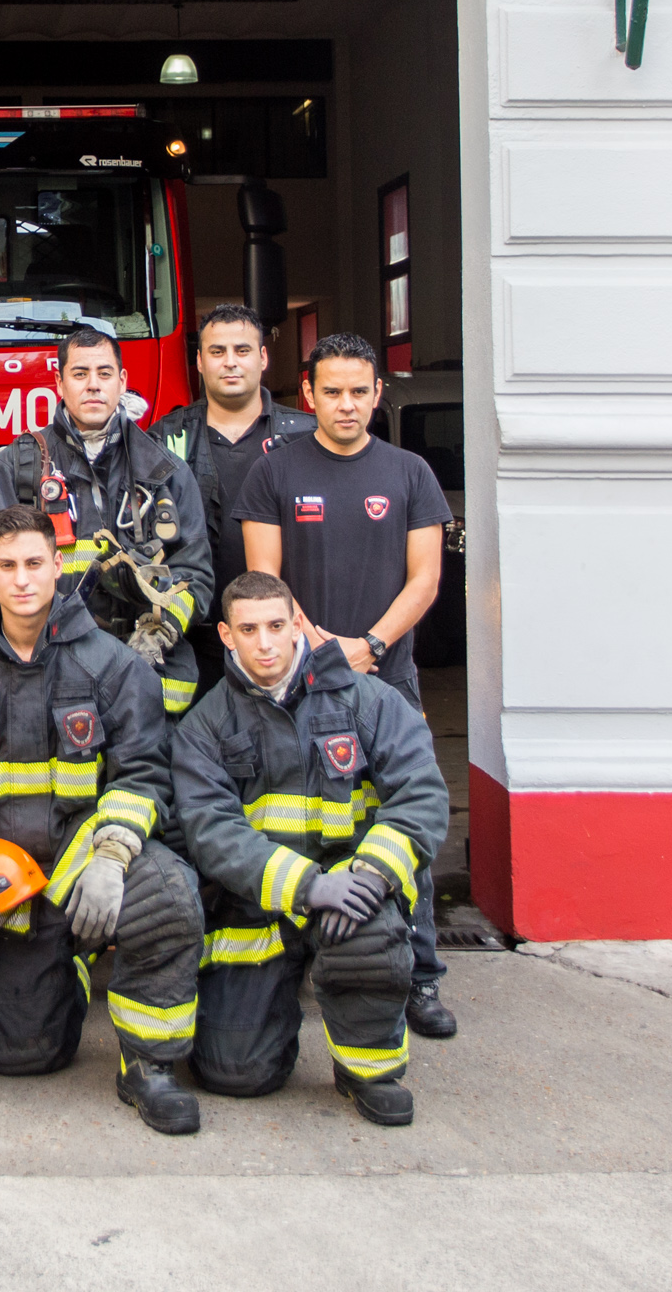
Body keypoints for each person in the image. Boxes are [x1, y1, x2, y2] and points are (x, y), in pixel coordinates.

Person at [0, 505, 205, 1134]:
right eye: (6, 566)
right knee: (19, 1055)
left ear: (58, 567)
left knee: (169, 894)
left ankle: (150, 1064)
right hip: (7, 879)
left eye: (34, 564)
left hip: (85, 861)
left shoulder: (116, 667)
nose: (21, 579)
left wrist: (113, 859)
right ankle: (68, 969)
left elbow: (143, 774)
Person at [234, 332, 460, 1041]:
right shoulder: (271, 472)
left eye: (359, 391)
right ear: (308, 395)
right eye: (331, 391)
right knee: (302, 819)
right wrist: (323, 645)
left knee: (402, 822)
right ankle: (308, 958)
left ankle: (419, 977)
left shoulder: (410, 472)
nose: (346, 404)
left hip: (388, 681)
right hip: (298, 681)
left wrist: (374, 645)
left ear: (377, 394)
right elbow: (265, 581)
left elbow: (425, 577)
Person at [174, 571, 448, 1125]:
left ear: (298, 624)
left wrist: (372, 876)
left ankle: (367, 1070)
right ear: (226, 636)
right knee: (235, 1073)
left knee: (368, 937)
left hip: (353, 893)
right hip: (261, 906)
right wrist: (307, 888)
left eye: (277, 625)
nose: (266, 642)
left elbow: (421, 797)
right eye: (249, 630)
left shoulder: (369, 701)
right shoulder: (205, 725)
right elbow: (210, 830)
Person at [0, 327, 212, 717]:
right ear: (59, 382)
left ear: (122, 382)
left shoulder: (164, 471)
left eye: (104, 374)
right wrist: (55, 635)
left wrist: (162, 628)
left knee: (140, 777)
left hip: (150, 681)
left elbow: (196, 576)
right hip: (49, 674)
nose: (93, 386)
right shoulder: (15, 467)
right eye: (80, 374)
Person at [146, 305, 315, 698]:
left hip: (287, 640)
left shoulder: (306, 438)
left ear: (263, 357)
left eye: (242, 350)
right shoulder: (165, 440)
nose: (230, 362)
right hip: (193, 641)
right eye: (217, 352)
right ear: (200, 362)